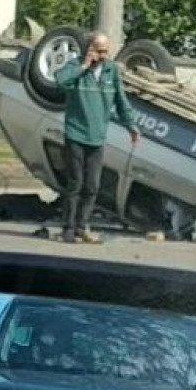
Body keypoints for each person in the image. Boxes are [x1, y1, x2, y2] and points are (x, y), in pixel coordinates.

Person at [54, 31, 140, 243]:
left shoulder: (111, 70)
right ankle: (68, 228)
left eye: (105, 51)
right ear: (88, 49)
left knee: (92, 186)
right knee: (75, 183)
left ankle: (82, 226)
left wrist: (131, 125)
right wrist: (84, 66)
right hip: (76, 133)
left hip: (97, 137)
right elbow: (60, 82)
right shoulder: (74, 67)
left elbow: (121, 100)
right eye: (99, 51)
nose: (103, 55)